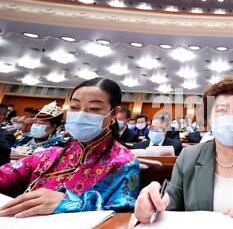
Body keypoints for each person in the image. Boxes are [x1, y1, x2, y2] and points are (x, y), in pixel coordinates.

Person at [134, 76, 233, 224]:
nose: (230, 117)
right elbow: (169, 207)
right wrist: (151, 205)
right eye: (221, 110)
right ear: (210, 119)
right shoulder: (188, 157)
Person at [0, 78, 140, 218]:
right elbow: (7, 174)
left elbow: (122, 212)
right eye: (74, 107)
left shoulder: (124, 162)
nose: (80, 115)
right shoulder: (51, 154)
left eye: (94, 109)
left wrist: (68, 203)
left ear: (114, 113)